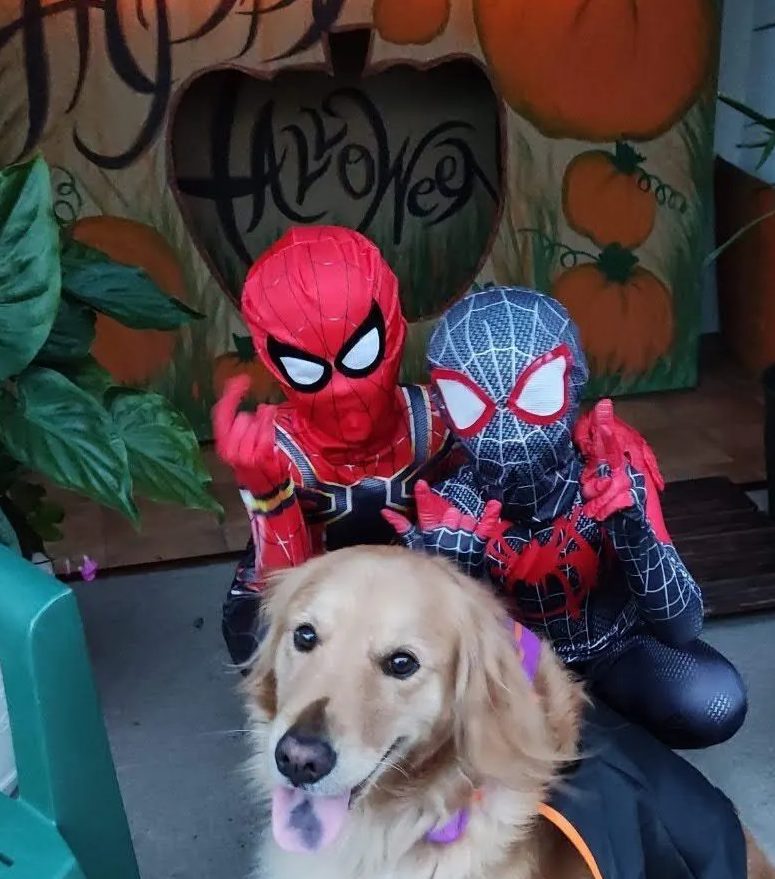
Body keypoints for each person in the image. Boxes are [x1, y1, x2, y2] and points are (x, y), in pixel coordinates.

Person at [387, 285, 747, 749]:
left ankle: (598, 727)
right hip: (519, 661)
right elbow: (436, 660)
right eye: (470, 403)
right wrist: (453, 575)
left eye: (534, 393)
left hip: (617, 643)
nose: (507, 429)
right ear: (443, 404)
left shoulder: (609, 475)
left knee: (713, 701)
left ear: (571, 380)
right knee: (488, 733)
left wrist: (636, 538)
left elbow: (684, 626)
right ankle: (585, 734)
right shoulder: (451, 513)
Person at [213, 225, 455, 668]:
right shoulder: (277, 448)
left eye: (360, 353)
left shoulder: (435, 419)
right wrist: (268, 496)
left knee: (504, 623)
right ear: (275, 363)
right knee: (259, 643)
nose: (342, 389)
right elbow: (281, 589)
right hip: (313, 589)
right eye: (307, 369)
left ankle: (540, 683)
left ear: (393, 328)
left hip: (418, 572)